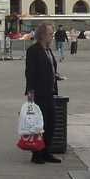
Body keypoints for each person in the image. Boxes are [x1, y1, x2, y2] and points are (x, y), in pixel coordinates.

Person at [24, 23, 62, 164]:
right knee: (38, 125)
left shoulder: (48, 50)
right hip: (39, 94)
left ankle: (46, 151)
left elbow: (49, 68)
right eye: (50, 34)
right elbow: (30, 73)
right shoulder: (33, 50)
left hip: (50, 92)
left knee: (50, 124)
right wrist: (30, 96)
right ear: (42, 35)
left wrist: (55, 76)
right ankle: (37, 154)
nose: (52, 36)